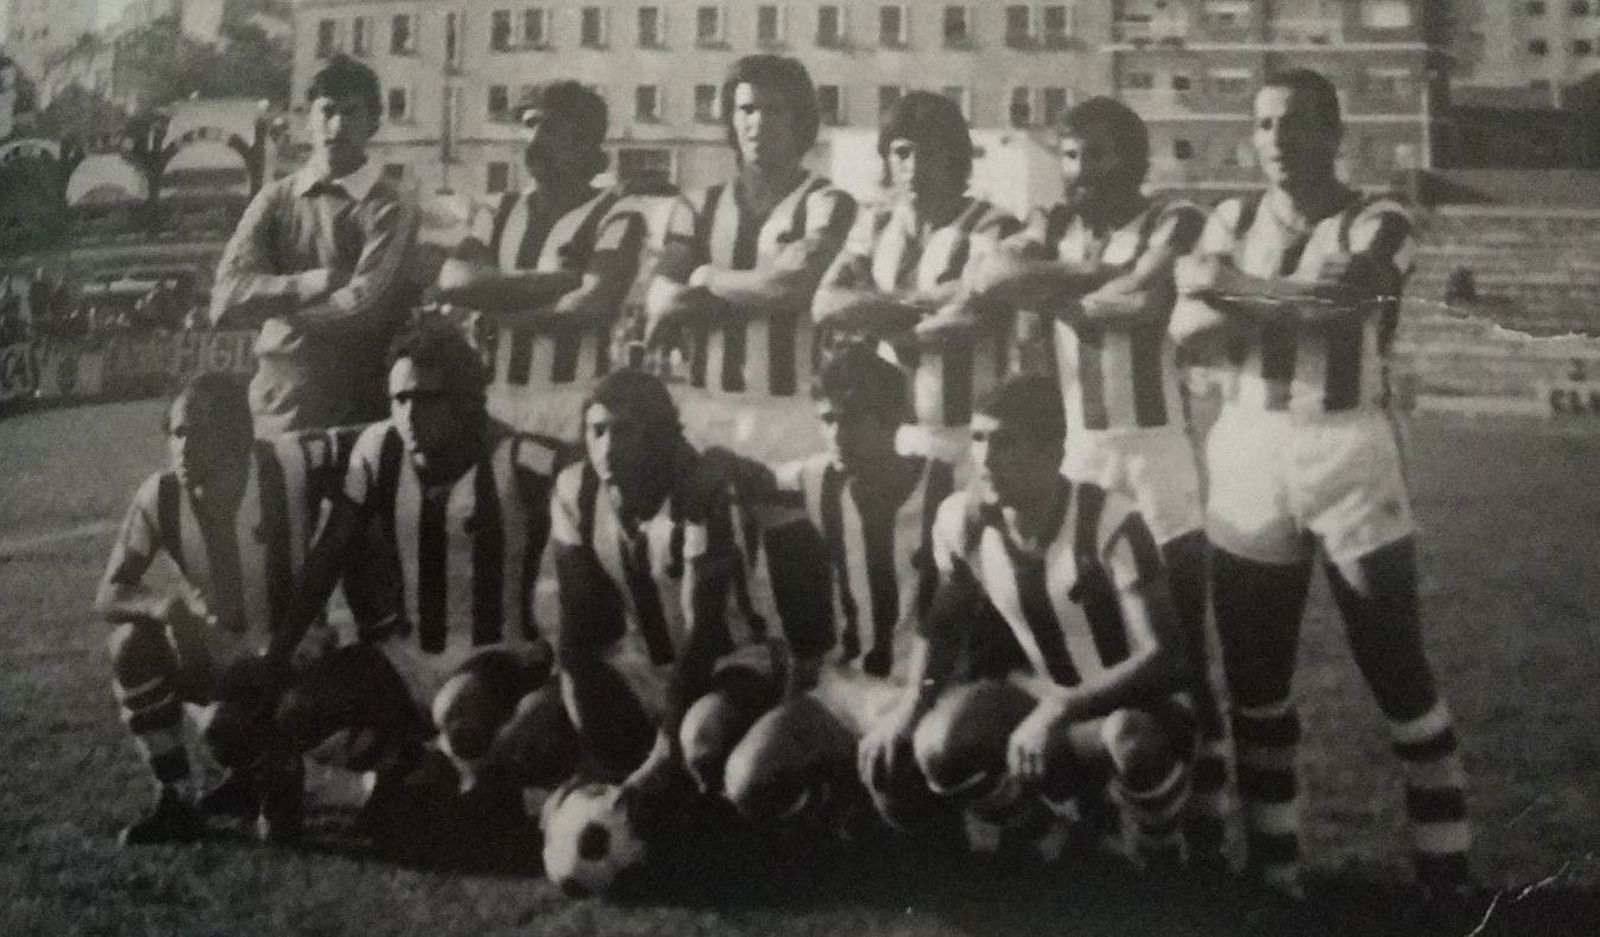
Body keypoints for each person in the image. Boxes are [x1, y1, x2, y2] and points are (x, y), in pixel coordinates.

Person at [1170, 68, 1471, 902]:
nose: (1277, 141)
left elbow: (1347, 298)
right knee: (1256, 680)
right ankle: (1277, 873)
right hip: (1248, 445)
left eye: (1297, 124)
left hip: (1347, 447)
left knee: (1395, 666)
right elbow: (1183, 326)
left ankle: (1446, 876)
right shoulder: (1228, 216)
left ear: (1334, 134)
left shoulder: (1381, 218)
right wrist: (1242, 299)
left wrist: (1226, 290)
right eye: (1264, 125)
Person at [964, 96, 1228, 870]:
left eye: (1100, 155)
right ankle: (1094, 811)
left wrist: (1057, 289)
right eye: (1072, 155)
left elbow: (1149, 299)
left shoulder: (1176, 221)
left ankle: (1205, 824)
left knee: (1181, 650)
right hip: (1078, 456)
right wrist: (1094, 277)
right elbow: (992, 273)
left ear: (1137, 161)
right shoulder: (1055, 222)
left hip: (1157, 459)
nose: (1081, 173)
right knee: (1077, 645)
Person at [858, 375, 1197, 869]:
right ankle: (1054, 839)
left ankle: (1159, 864)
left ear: (1052, 452)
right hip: (1045, 707)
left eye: (1006, 443)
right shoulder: (962, 521)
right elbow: (944, 625)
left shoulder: (1110, 522)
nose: (987, 460)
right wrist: (910, 708)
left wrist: (1064, 707)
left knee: (1131, 735)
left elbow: (1167, 657)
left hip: (1136, 712)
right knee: (937, 742)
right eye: (978, 439)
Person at [265, 321, 566, 838]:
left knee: (462, 720)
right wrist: (278, 653)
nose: (407, 415)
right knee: (295, 711)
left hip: (498, 655)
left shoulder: (519, 459)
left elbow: (594, 472)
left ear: (466, 399)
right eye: (397, 399)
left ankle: (487, 781)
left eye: (423, 399)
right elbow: (329, 551)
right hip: (403, 658)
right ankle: (405, 766)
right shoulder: (377, 450)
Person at [549, 369, 829, 804]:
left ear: (659, 435)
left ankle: (722, 818)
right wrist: (594, 741)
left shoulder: (704, 490)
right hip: (643, 665)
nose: (607, 447)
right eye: (596, 431)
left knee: (700, 738)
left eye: (623, 431)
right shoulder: (576, 491)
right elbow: (579, 627)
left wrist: (663, 750)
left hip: (732, 663)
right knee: (538, 732)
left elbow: (705, 634)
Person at [714, 345, 961, 831]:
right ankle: (846, 803)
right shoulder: (817, 481)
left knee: (903, 802)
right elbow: (750, 477)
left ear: (894, 418)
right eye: (827, 420)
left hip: (932, 688)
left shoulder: (948, 487)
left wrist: (918, 703)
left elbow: (958, 610)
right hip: (847, 689)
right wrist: (712, 463)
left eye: (853, 419)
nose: (838, 436)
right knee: (747, 780)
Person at [95, 373, 348, 844]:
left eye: (201, 431)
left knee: (277, 810)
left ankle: (391, 771)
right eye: (178, 432)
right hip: (216, 649)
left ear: (239, 436)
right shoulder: (161, 495)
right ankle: (176, 796)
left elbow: (377, 441)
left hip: (296, 650)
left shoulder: (292, 462)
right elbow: (110, 592)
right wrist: (165, 607)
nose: (184, 447)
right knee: (129, 645)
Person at [644, 53, 856, 454]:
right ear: (731, 118)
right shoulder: (696, 205)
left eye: (774, 109)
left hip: (791, 418)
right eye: (746, 109)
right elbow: (664, 299)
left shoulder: (826, 202)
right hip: (704, 412)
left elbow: (793, 288)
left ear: (800, 118)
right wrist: (765, 295)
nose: (758, 123)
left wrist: (708, 277)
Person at [209, 54, 418, 437]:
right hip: (273, 409)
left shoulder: (390, 204)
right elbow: (224, 297)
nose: (336, 125)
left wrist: (274, 312)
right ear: (308, 119)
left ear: (374, 123)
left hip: (358, 411)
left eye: (352, 113)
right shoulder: (273, 200)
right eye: (326, 111)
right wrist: (309, 283)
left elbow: (365, 307)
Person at [435, 81, 648, 442]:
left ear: (585, 141)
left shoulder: (617, 214)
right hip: (494, 403)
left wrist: (494, 309)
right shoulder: (499, 210)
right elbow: (454, 279)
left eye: (550, 127)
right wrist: (559, 281)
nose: (535, 140)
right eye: (530, 125)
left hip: (575, 407)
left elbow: (589, 308)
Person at [812, 90, 1019, 462]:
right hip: (888, 436)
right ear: (887, 158)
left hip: (968, 437)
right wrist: (927, 305)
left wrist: (871, 316)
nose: (914, 165)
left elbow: (970, 321)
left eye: (929, 152)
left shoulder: (993, 227)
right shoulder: (874, 225)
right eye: (902, 152)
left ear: (955, 158)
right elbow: (825, 304)